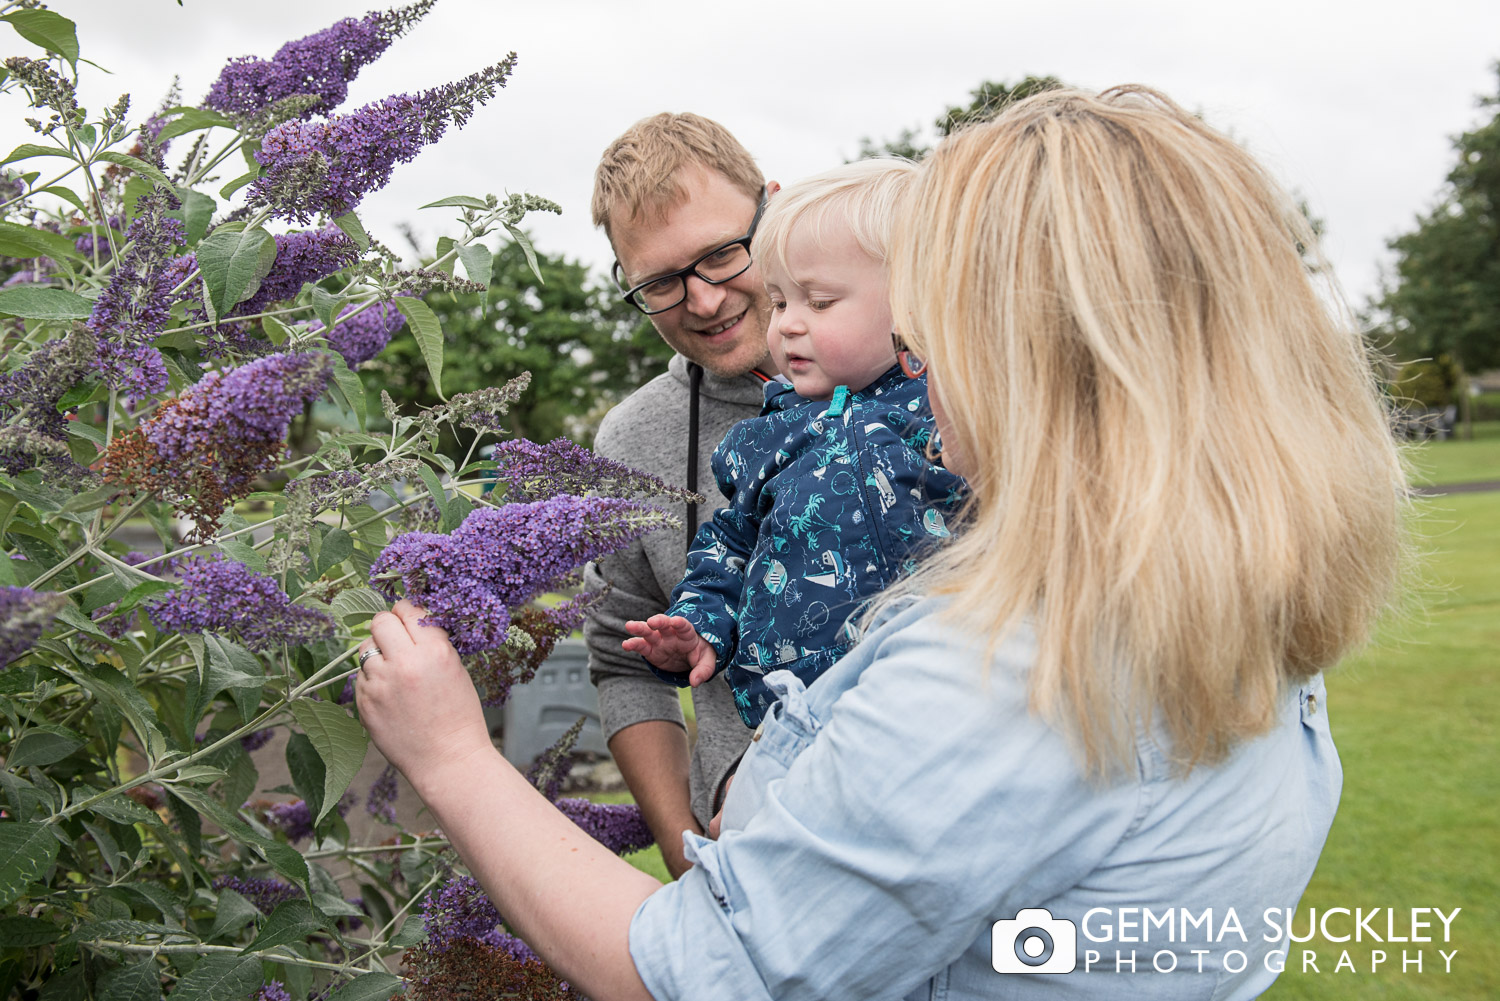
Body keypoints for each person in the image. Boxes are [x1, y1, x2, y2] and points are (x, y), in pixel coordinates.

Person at [356, 86, 1407, 1000]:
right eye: (662, 282)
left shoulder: (1003, 673)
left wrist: (451, 752)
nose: (911, 365)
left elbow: (700, 970)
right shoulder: (1215, 581)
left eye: (938, 320)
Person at [624, 159, 965, 728]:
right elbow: (727, 547)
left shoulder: (953, 406)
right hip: (793, 718)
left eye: (820, 302)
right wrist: (699, 624)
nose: (785, 325)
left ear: (912, 300)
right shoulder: (764, 437)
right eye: (780, 301)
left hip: (936, 698)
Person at [582, 113, 779, 877]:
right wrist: (681, 845)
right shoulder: (632, 443)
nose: (701, 301)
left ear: (775, 209)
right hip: (757, 873)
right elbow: (623, 662)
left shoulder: (933, 369)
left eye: (722, 255)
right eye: (661, 282)